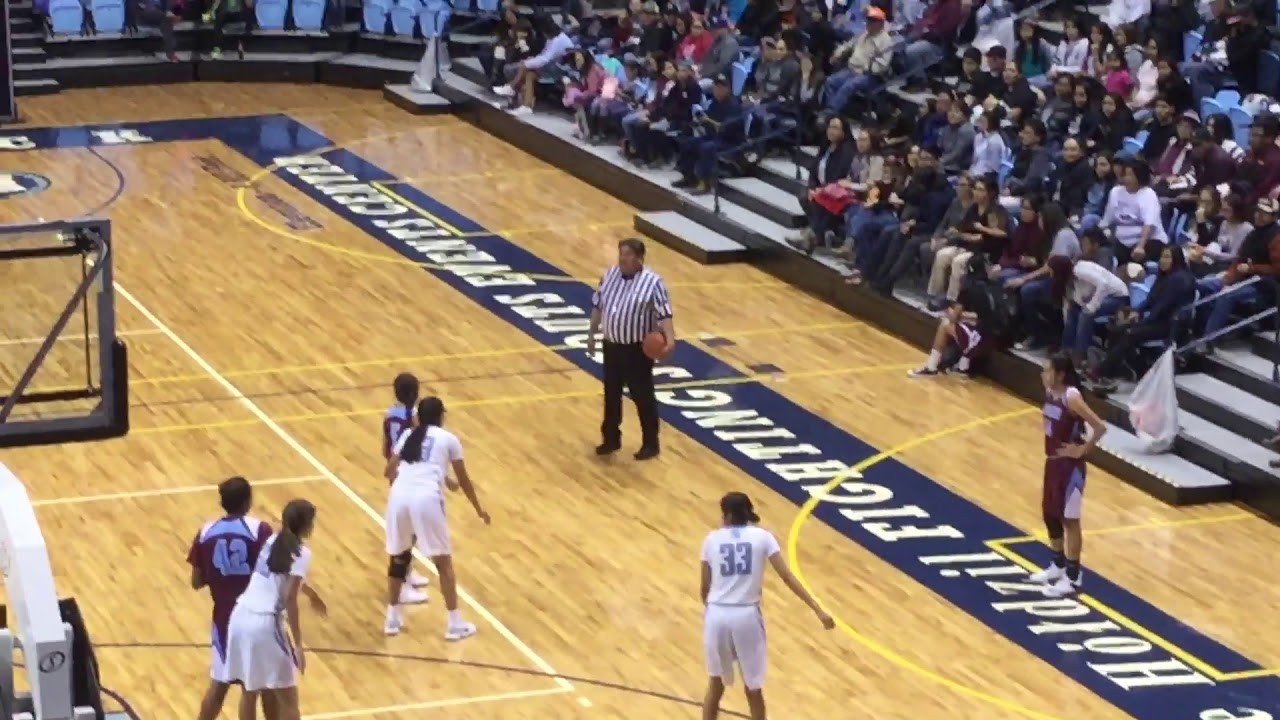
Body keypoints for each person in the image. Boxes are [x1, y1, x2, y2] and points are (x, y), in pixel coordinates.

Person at [699, 491, 833, 720]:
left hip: (717, 615)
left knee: (715, 685)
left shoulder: (711, 539)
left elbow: (704, 587)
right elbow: (787, 577)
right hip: (746, 617)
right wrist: (817, 609)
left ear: (727, 514)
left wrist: (714, 610)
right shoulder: (762, 537)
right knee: (753, 689)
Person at [383, 396, 490, 639]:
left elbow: (389, 470)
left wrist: (440, 477)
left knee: (398, 560)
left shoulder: (408, 436)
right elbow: (464, 480)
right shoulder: (448, 439)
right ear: (442, 416)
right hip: (426, 500)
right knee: (443, 564)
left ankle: (391, 619)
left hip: (399, 496)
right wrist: (478, 508)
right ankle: (454, 624)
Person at [222, 499, 328, 720]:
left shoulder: (271, 541)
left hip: (240, 615)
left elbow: (281, 577)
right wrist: (298, 644)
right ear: (307, 525)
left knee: (249, 692)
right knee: (289, 700)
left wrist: (310, 593)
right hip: (265, 624)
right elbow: (290, 598)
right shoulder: (302, 552)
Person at [189, 477, 275, 720]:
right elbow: (272, 570)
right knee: (260, 687)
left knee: (219, 685)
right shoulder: (259, 530)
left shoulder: (206, 531)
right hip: (256, 616)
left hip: (224, 618)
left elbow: (196, 581)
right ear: (248, 500)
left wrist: (219, 575)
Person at [587, 238, 675, 460]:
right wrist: (591, 333)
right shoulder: (609, 276)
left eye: (627, 255)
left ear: (639, 258)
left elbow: (664, 314)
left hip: (637, 350)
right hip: (612, 346)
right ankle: (610, 439)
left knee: (642, 396)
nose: (622, 259)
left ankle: (651, 443)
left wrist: (670, 341)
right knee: (611, 394)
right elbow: (598, 306)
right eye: (621, 254)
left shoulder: (653, 283)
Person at [1029, 354, 1107, 598]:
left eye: (1047, 370)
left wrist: (1082, 449)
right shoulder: (1050, 393)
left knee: (1070, 519)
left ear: (1060, 374)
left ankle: (1073, 578)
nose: (1043, 375)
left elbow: (1100, 427)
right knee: (1050, 515)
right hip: (1052, 463)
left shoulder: (1071, 396)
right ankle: (1058, 566)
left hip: (1070, 467)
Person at [382, 373, 431, 605]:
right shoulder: (413, 418)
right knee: (407, 531)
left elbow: (385, 447)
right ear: (414, 393)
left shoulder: (389, 413)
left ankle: (407, 572)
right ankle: (400, 584)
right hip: (409, 474)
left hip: (397, 473)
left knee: (409, 529)